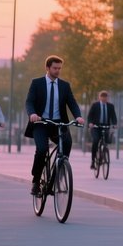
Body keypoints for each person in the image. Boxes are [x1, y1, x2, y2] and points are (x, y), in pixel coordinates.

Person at [24, 56, 84, 195]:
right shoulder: (37, 83)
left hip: (58, 124)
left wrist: (78, 116)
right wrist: (32, 113)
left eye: (59, 68)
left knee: (67, 144)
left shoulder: (64, 86)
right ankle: (36, 181)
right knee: (42, 150)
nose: (57, 71)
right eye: (55, 68)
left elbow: (72, 103)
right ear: (47, 68)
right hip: (41, 123)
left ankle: (57, 176)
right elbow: (29, 101)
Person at [87, 91, 117, 169]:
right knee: (96, 140)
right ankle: (93, 161)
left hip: (105, 126)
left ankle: (102, 154)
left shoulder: (110, 106)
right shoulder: (95, 105)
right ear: (99, 97)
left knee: (106, 141)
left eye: (105, 97)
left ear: (107, 98)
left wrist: (114, 124)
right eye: (102, 97)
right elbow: (90, 115)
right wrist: (90, 123)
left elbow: (113, 116)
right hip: (96, 127)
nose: (104, 98)